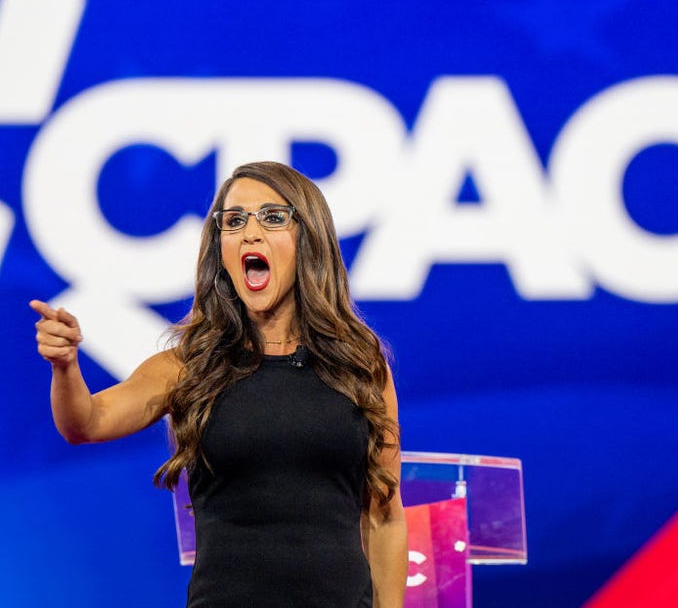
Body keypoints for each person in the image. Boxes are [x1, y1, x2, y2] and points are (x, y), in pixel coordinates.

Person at [31, 161, 407, 607]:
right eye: (233, 221)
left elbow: (384, 517)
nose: (249, 233)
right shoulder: (188, 367)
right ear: (221, 250)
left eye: (271, 217)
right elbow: (87, 422)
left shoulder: (359, 368)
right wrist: (65, 367)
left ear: (309, 239)